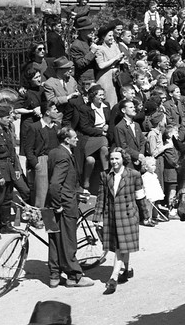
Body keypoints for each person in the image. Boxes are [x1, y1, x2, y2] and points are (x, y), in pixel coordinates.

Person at [93, 148, 151, 295]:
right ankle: (127, 269)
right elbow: (101, 198)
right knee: (121, 245)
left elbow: (140, 196)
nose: (114, 162)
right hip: (112, 216)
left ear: (123, 159)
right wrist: (97, 217)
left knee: (120, 246)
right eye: (111, 159)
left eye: (117, 159)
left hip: (129, 216)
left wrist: (146, 214)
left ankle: (113, 277)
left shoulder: (134, 175)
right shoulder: (105, 175)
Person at [46, 127, 95, 288]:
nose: (77, 140)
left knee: (53, 239)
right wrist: (58, 205)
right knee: (68, 240)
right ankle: (74, 276)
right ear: (67, 139)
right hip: (63, 203)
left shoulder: (53, 152)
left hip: (49, 203)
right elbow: (55, 184)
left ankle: (54, 275)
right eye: (74, 137)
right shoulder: (64, 156)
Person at [0, 105, 30, 239]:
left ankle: (6, 225)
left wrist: (15, 169)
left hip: (8, 170)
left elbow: (12, 152)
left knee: (7, 199)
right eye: (7, 117)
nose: (10, 119)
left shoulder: (5, 131)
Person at [113, 99, 146, 172]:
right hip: (128, 163)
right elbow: (122, 146)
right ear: (123, 110)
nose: (134, 109)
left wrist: (140, 155)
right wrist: (136, 155)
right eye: (131, 107)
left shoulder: (136, 125)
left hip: (139, 162)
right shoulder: (119, 127)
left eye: (134, 107)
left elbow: (142, 141)